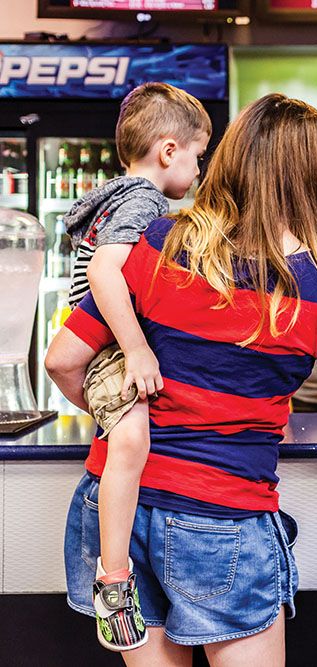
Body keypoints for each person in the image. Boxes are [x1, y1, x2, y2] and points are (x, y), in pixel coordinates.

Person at [46, 93, 317, 665]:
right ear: (313, 179)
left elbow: (64, 359)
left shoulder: (159, 243)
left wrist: (125, 414)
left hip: (116, 509)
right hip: (223, 517)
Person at [62, 81, 211, 652]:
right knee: (130, 441)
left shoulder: (126, 194)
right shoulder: (146, 201)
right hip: (106, 346)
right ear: (169, 150)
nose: (198, 170)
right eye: (197, 155)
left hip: (104, 346)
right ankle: (115, 580)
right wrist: (138, 349)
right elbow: (104, 274)